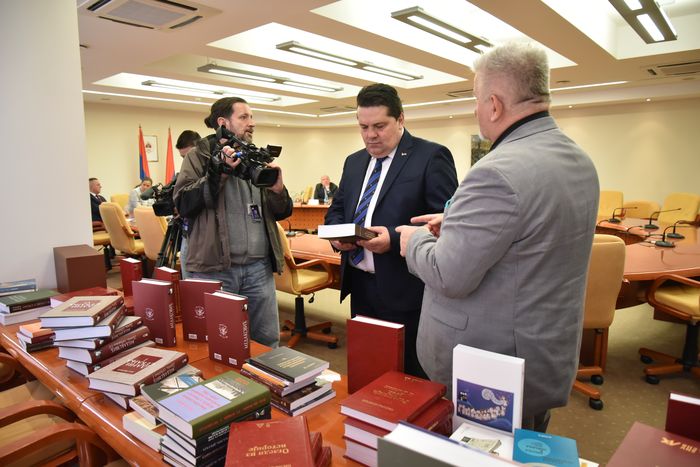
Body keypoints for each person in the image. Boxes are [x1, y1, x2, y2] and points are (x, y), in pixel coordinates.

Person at [396, 42, 600, 432]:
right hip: (542, 351)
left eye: (476, 100)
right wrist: (458, 220)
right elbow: (533, 232)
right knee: (527, 442)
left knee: (484, 451)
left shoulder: (496, 172)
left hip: (491, 371)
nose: (475, 110)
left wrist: (415, 240)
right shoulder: (578, 160)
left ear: (493, 105)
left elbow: (447, 274)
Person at [324, 83, 458, 378]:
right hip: (360, 283)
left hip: (406, 289)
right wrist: (336, 235)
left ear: (400, 119)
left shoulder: (431, 156)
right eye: (363, 127)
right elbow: (337, 210)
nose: (370, 135)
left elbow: (448, 224)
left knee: (408, 377)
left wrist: (394, 240)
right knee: (369, 368)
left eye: (379, 126)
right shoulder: (354, 162)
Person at [173, 97, 292, 348]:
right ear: (223, 122)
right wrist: (220, 172)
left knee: (266, 340)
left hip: (258, 268)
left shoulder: (256, 156)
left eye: (252, 117)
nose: (252, 123)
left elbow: (281, 212)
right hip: (215, 269)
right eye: (244, 117)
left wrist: (278, 191)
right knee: (221, 343)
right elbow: (183, 203)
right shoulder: (198, 156)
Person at [174, 130, 201, 279]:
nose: (186, 161)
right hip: (186, 232)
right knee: (188, 281)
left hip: (202, 237)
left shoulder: (211, 173)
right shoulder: (184, 176)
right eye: (183, 158)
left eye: (188, 156)